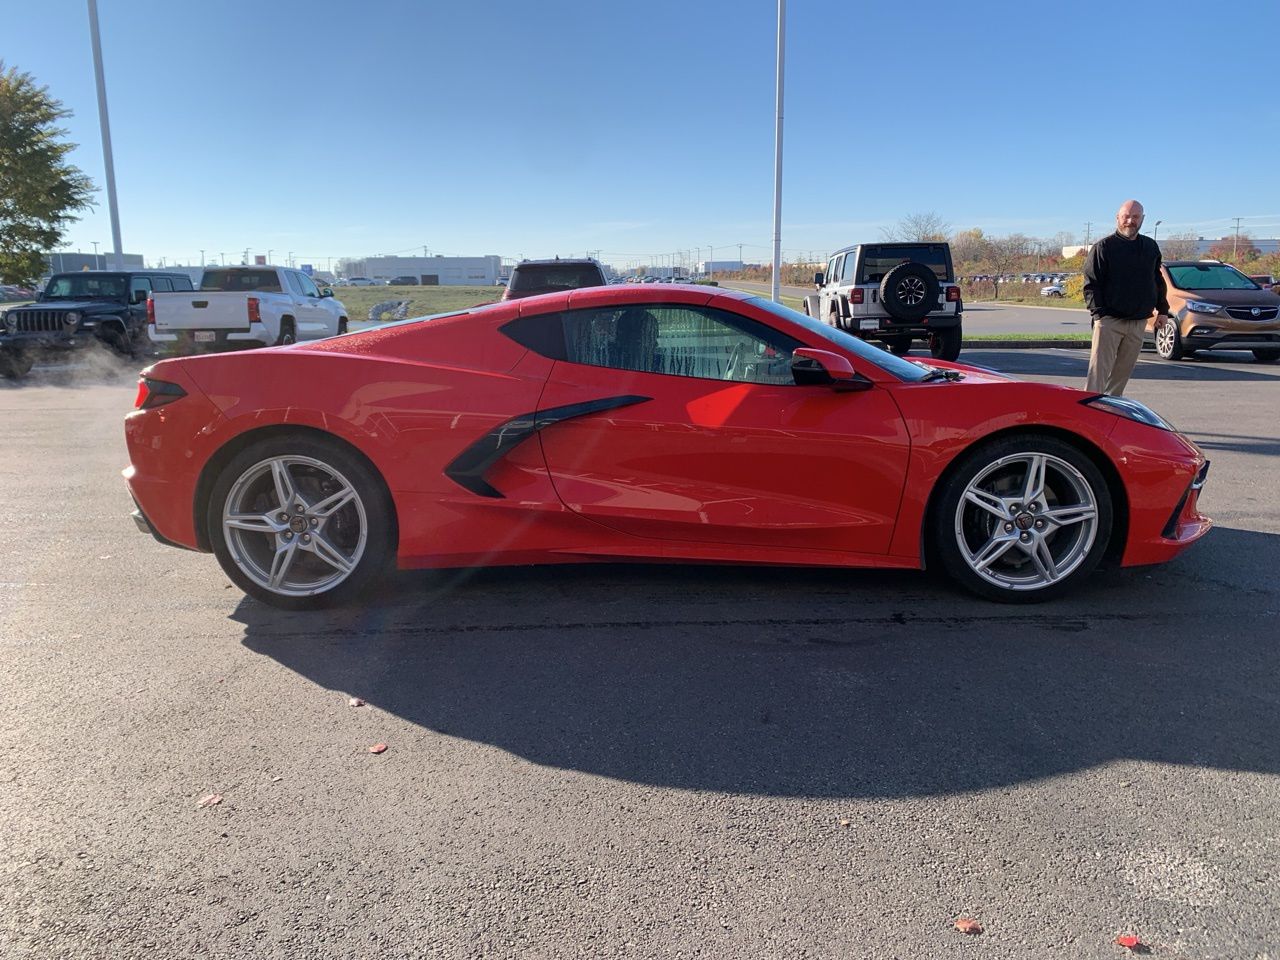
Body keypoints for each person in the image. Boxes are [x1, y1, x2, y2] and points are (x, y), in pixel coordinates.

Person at [1082, 200, 1171, 395]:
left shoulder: (1150, 247)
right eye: (1126, 216)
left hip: (1138, 322)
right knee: (1098, 374)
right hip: (1109, 322)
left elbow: (1157, 281)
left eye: (1135, 217)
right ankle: (1089, 415)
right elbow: (1091, 285)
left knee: (1121, 376)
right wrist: (1100, 316)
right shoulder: (1103, 247)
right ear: (1117, 218)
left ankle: (1111, 413)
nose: (1130, 221)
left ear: (1142, 219)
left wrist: (1163, 310)